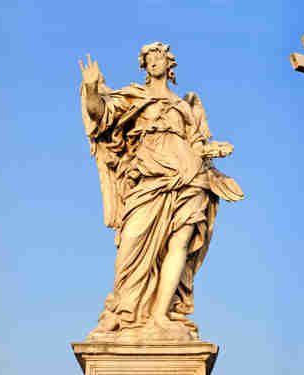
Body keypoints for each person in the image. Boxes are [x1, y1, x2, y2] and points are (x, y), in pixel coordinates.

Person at [79, 43, 243, 341]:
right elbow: (98, 113)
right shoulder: (134, 96)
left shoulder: (186, 105)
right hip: (149, 177)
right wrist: (91, 87)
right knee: (131, 241)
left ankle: (160, 315)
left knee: (179, 244)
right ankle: (126, 310)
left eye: (159, 57)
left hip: (190, 176)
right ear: (144, 66)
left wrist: (212, 150)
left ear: (170, 64)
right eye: (149, 58)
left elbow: (197, 144)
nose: (154, 62)